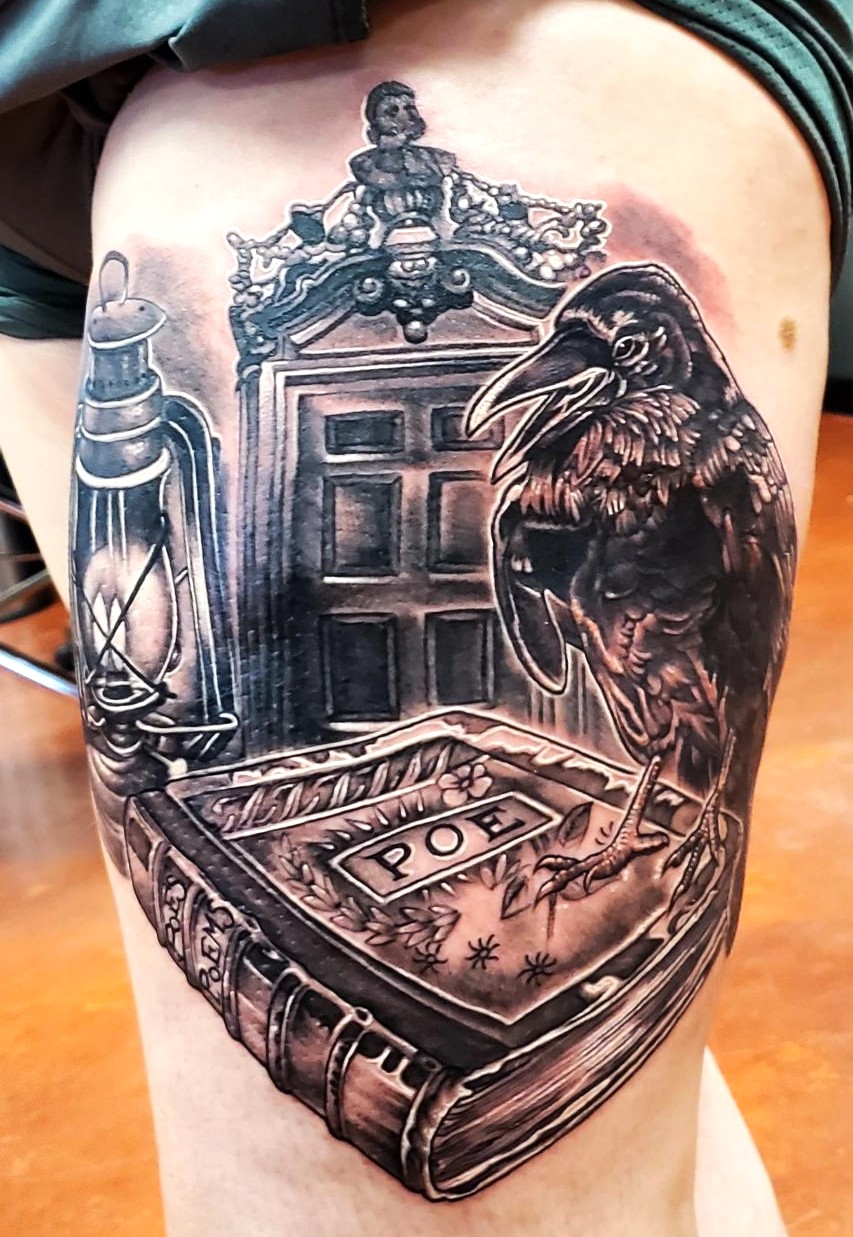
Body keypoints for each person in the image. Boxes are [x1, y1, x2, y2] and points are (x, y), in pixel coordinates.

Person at [0, 4, 850, 1237]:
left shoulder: (709, 463)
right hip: (25, 116)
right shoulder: (550, 464)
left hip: (401, 21)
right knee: (617, 1068)